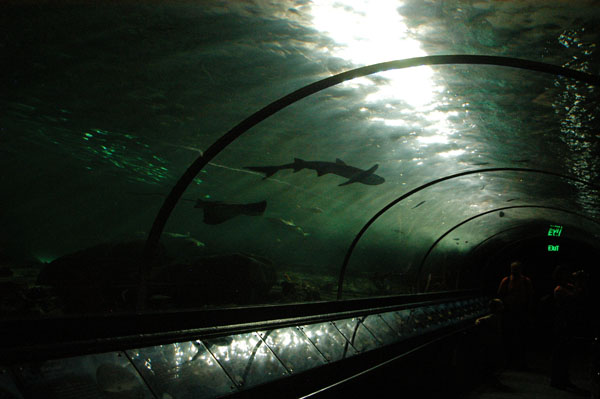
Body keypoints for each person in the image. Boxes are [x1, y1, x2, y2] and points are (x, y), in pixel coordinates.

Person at [550, 265, 583, 390]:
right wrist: (578, 282)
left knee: (566, 352)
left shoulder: (568, 286)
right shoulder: (559, 289)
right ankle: (557, 378)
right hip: (562, 322)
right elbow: (574, 298)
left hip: (568, 322)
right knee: (560, 351)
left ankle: (563, 377)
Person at [497, 260, 533, 369]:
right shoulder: (506, 281)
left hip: (521, 312)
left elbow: (530, 296)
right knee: (509, 337)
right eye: (513, 269)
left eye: (516, 269)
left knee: (521, 338)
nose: (514, 271)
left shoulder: (526, 281)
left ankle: (520, 361)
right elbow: (500, 294)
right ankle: (510, 361)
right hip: (509, 313)